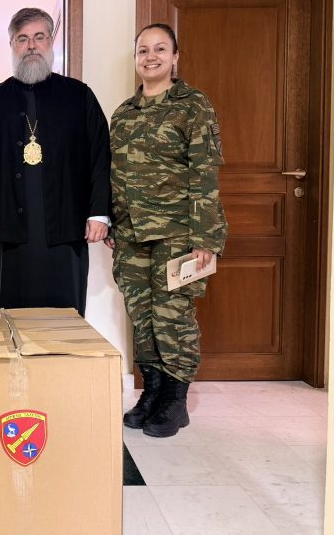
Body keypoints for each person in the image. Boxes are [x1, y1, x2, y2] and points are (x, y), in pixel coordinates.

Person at [107, 23, 227, 438]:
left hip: (179, 232)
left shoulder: (193, 106)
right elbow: (113, 174)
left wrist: (206, 237)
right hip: (131, 234)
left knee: (172, 316)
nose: (151, 56)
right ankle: (152, 394)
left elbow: (205, 173)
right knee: (142, 317)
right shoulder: (124, 113)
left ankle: (175, 401)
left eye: (160, 49)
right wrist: (112, 221)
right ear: (136, 58)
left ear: (175, 57)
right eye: (143, 50)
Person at [0, 8, 110, 316]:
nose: (31, 46)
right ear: (12, 45)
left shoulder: (79, 96)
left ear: (50, 42)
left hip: (66, 229)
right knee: (12, 320)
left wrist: (99, 212)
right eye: (22, 39)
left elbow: (100, 157)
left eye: (39, 37)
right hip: (8, 231)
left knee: (65, 320)